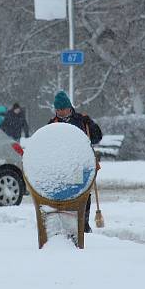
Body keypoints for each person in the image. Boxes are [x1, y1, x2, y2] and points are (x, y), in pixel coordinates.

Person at [48, 91, 102, 233]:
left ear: (69, 107)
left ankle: (83, 225)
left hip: (79, 165)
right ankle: (67, 225)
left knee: (82, 194)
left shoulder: (81, 120)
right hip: (62, 167)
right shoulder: (52, 124)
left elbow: (97, 138)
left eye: (62, 109)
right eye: (57, 110)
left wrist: (91, 126)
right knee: (64, 195)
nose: (60, 112)